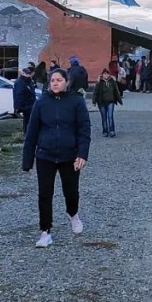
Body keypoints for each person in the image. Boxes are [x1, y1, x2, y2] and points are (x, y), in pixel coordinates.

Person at [22, 68, 91, 248]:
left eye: (59, 80)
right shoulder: (41, 103)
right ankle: (45, 231)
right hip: (45, 155)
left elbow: (84, 130)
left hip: (69, 155)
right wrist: (27, 161)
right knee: (45, 194)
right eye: (52, 80)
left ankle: (72, 213)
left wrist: (82, 154)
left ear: (66, 82)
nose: (55, 83)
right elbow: (32, 132)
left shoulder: (76, 102)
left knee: (71, 191)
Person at [91, 69, 122, 137]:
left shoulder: (112, 82)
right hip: (101, 102)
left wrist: (119, 100)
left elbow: (116, 91)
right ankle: (105, 131)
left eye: (107, 74)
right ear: (102, 75)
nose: (106, 75)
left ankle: (112, 131)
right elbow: (95, 92)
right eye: (105, 74)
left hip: (111, 101)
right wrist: (94, 102)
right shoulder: (99, 82)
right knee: (104, 117)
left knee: (110, 116)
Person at [13, 66, 37, 136]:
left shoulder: (28, 81)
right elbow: (18, 95)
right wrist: (18, 108)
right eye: (27, 74)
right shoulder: (20, 82)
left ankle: (28, 133)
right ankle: (27, 134)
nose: (28, 75)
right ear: (23, 73)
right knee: (27, 121)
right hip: (26, 106)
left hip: (30, 105)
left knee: (29, 121)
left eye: (29, 74)